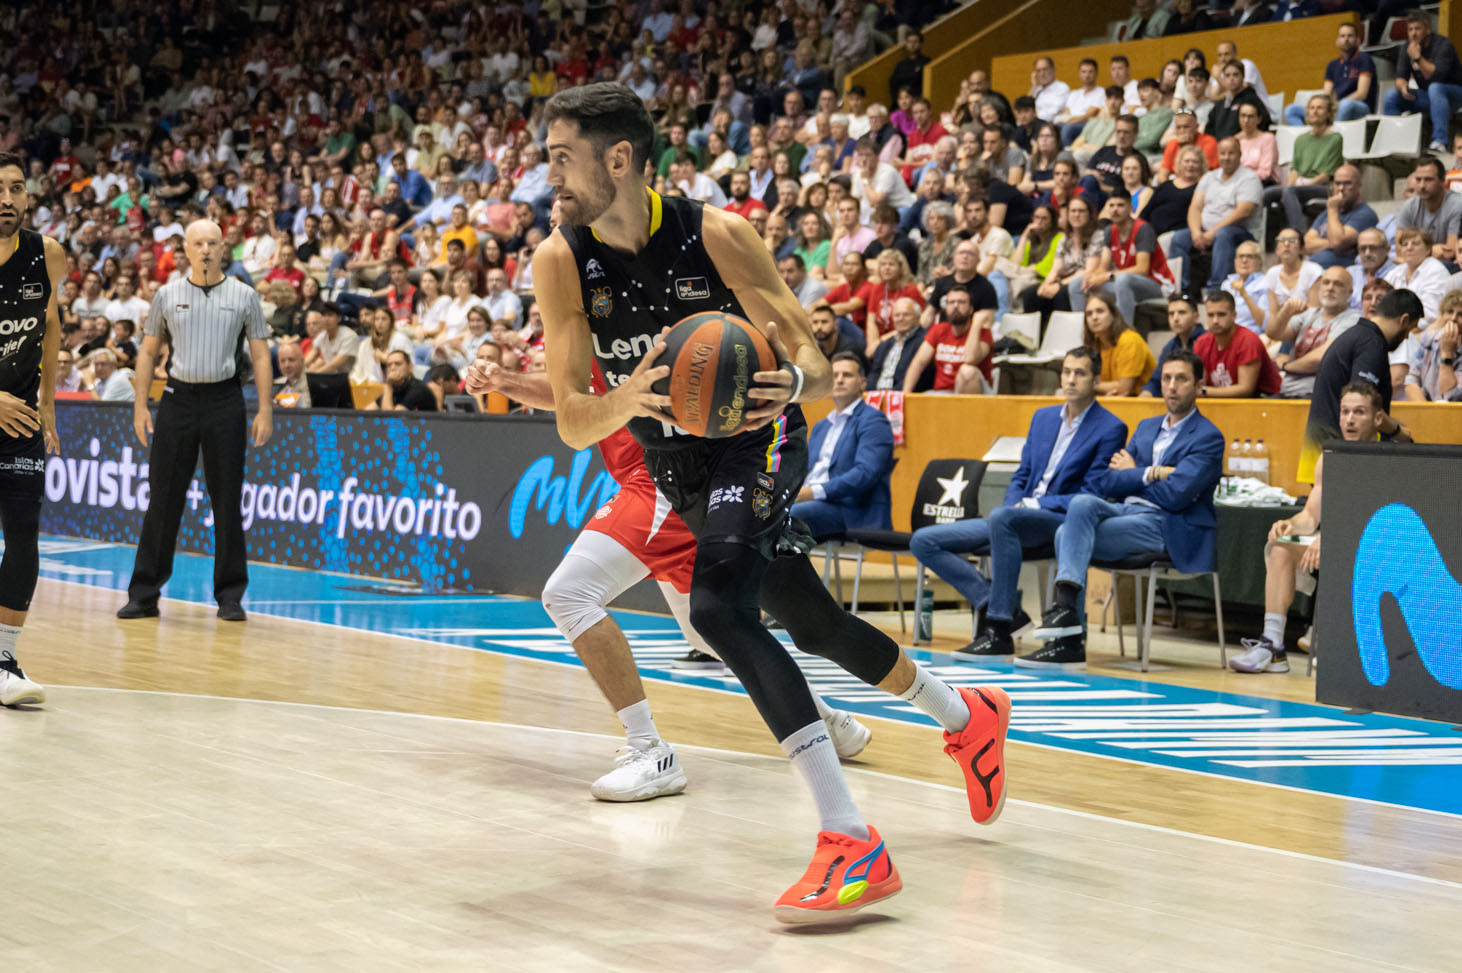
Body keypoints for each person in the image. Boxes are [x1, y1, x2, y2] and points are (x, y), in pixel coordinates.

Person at [525, 84, 1012, 922]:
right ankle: (967, 715)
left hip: (761, 438)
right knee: (812, 623)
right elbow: (573, 421)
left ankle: (850, 838)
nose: (552, 178)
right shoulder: (561, 259)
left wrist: (793, 379)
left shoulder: (715, 234)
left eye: (563, 158)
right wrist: (627, 397)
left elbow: (815, 365)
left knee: (718, 607)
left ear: (619, 159)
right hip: (676, 463)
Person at [912, 347, 1127, 658]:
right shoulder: (1043, 417)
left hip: (1061, 521)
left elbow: (1092, 492)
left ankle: (998, 630)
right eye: (1067, 372)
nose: (1071, 380)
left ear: (1095, 380)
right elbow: (1022, 473)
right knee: (923, 541)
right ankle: (1001, 605)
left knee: (1003, 518)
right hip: (1015, 516)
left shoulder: (1110, 427)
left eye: (1080, 373)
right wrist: (1014, 505)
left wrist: (1032, 507)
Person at [1024, 351, 1224, 669]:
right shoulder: (1145, 427)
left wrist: (1133, 474)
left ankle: (1068, 636)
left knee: (1065, 534)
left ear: (1199, 385)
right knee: (1081, 503)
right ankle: (1067, 616)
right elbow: (1107, 482)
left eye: (1182, 379)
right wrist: (1152, 473)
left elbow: (1177, 496)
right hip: (1126, 514)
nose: (1172, 386)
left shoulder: (1208, 437)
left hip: (1166, 525)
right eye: (1167, 378)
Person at [117, 219, 273, 622]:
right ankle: (144, 593)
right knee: (163, 498)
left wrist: (266, 409)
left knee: (227, 500)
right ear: (185, 250)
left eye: (212, 243)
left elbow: (259, 355)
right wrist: (139, 406)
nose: (205, 249)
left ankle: (230, 596)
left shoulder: (244, 295)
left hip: (225, 400)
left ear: (224, 249)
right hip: (177, 400)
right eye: (198, 243)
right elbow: (147, 353)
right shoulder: (167, 295)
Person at [1231, 381, 1389, 674]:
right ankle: (1273, 646)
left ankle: (1343, 643)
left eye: (1359, 412)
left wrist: (1330, 538)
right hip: (1332, 544)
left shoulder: (1386, 459)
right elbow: (1310, 516)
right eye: (1345, 412)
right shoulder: (1329, 457)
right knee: (1280, 547)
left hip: (1375, 551)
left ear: (1377, 418)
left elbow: (1376, 523)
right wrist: (1290, 524)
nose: (1350, 420)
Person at [0, 152, 64, 705]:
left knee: (23, 533)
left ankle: (3, 660)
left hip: (19, 418)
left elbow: (51, 325)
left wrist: (47, 401)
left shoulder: (48, 255)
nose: (7, 199)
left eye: (16, 188)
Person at [1300, 288, 1420, 480]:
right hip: (1338, 459)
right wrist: (1397, 432)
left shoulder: (1358, 336)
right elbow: (1360, 403)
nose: (1406, 337)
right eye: (1410, 329)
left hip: (1326, 454)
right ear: (1404, 320)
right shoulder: (1371, 344)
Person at [790, 353, 893, 541]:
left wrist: (813, 492)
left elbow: (866, 474)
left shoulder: (874, 421)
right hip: (812, 502)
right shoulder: (821, 426)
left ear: (862, 383)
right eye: (834, 375)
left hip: (850, 509)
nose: (839, 380)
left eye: (847, 375)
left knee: (790, 515)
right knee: (762, 509)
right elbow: (804, 469)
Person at [1167, 138, 1262, 293]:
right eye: (1222, 153)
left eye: (1231, 153)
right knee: (1178, 239)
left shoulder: (1249, 178)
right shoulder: (1209, 177)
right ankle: (1181, 290)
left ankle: (1216, 289)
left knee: (1223, 235)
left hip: (1239, 232)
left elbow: (1244, 211)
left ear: (1240, 154)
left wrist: (1213, 231)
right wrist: (1196, 232)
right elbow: (1195, 207)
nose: (1226, 157)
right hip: (1206, 231)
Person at [1270, 266, 1361, 398]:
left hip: (1320, 396)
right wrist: (1285, 312)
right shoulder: (1309, 313)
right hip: (1288, 392)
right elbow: (1273, 334)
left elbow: (1322, 358)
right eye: (1326, 282)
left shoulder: (1354, 319)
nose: (1330, 288)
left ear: (1350, 292)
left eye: (1338, 284)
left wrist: (1285, 366)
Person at [1082, 193, 1173, 324]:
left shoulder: (1143, 229)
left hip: (1157, 284)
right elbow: (1103, 266)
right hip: (1125, 283)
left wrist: (1108, 276)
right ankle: (1086, 330)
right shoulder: (1109, 230)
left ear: (1130, 207)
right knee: (1079, 284)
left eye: (1120, 205)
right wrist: (1091, 277)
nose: (1115, 210)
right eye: (1111, 205)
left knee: (1122, 280)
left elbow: (1142, 269)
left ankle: (1124, 331)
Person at [1384, 9, 1462, 153]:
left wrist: (1418, 58)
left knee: (1435, 88)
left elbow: (1437, 75)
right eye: (1410, 29)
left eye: (1417, 29)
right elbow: (1400, 77)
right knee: (1392, 95)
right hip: (1427, 96)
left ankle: (1440, 142)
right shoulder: (1407, 47)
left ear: (1428, 29)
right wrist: (1403, 86)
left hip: (1453, 94)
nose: (1413, 33)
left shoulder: (1443, 44)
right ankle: (1393, 141)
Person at [903, 284, 992, 393]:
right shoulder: (939, 329)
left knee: (967, 371)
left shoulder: (983, 333)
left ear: (971, 309)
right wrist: (905, 395)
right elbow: (918, 363)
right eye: (951, 302)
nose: (956, 306)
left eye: (961, 302)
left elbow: (970, 359)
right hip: (942, 394)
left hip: (978, 396)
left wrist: (976, 324)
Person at [1195, 290, 1281, 397]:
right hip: (1222, 402)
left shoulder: (1248, 340)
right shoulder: (1202, 342)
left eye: (1221, 314)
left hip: (1266, 400)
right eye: (1210, 315)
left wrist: (1203, 391)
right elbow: (1200, 383)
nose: (1215, 320)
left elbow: (1245, 389)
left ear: (1234, 315)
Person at [1285, 22, 1375, 124]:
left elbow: (1362, 93)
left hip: (1360, 107)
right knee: (1290, 110)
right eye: (1342, 36)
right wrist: (1324, 107)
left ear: (1358, 40)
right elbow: (1327, 94)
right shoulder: (1333, 65)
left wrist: (1337, 105)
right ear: (1337, 41)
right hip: (1337, 107)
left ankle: (1331, 132)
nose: (1346, 39)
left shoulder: (1364, 59)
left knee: (1346, 104)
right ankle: (1309, 134)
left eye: (1350, 36)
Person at [1302, 164, 1376, 269]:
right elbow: (1305, 245)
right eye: (1337, 183)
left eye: (1347, 183)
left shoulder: (1365, 214)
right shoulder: (1325, 214)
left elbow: (1338, 241)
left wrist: (1332, 209)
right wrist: (1331, 243)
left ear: (1358, 186)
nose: (1341, 188)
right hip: (1314, 270)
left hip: (1340, 271)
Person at [1083, 292, 1155, 396]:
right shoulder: (1094, 344)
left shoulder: (1129, 340)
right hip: (1112, 399)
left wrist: (1091, 385)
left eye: (1100, 311)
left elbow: (1124, 388)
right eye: (1089, 314)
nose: (1094, 317)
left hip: (1141, 400)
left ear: (1113, 314)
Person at [1396, 158, 1462, 265]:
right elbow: (1400, 249)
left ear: (1443, 180)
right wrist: (1431, 251)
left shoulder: (1457, 204)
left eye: (1428, 180)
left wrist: (1417, 253)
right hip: (1418, 262)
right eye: (1418, 180)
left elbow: (1451, 251)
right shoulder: (1409, 206)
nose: (1422, 186)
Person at [1142, 296, 1207, 397]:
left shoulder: (1207, 341)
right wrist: (1145, 395)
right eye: (1171, 314)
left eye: (1182, 312)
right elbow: (1156, 380)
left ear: (1196, 316)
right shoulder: (1170, 346)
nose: (1175, 319)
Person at [867, 297, 932, 391]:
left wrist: (892, 395)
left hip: (904, 395)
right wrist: (869, 392)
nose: (900, 319)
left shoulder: (925, 342)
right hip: (877, 395)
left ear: (917, 317)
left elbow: (919, 378)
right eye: (897, 315)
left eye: (906, 315)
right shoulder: (885, 344)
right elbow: (874, 373)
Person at [1155, 111, 1217, 185]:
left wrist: (1184, 147)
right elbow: (1162, 175)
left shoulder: (1209, 142)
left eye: (1186, 127)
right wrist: (1168, 188)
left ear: (1196, 127)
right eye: (1178, 127)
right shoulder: (1172, 143)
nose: (1182, 131)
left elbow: (1206, 174)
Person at [274, 340, 310, 408]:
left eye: (291, 360)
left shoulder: (310, 382)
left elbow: (306, 406)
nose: (287, 365)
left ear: (302, 361)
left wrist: (279, 402)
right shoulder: (277, 384)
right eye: (282, 361)